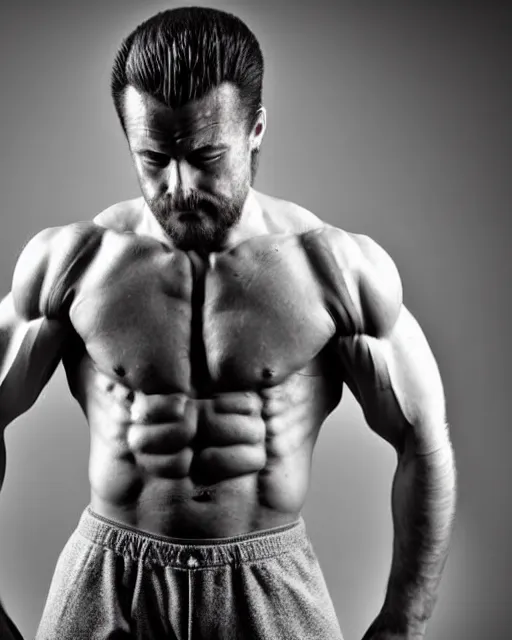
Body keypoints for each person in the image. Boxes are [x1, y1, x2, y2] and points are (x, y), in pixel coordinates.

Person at [0, 6, 456, 640]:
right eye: (155, 156)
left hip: (267, 580)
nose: (180, 186)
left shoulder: (330, 270)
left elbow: (423, 440)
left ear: (256, 130)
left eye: (206, 155)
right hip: (108, 579)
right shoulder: (76, 263)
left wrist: (405, 619)